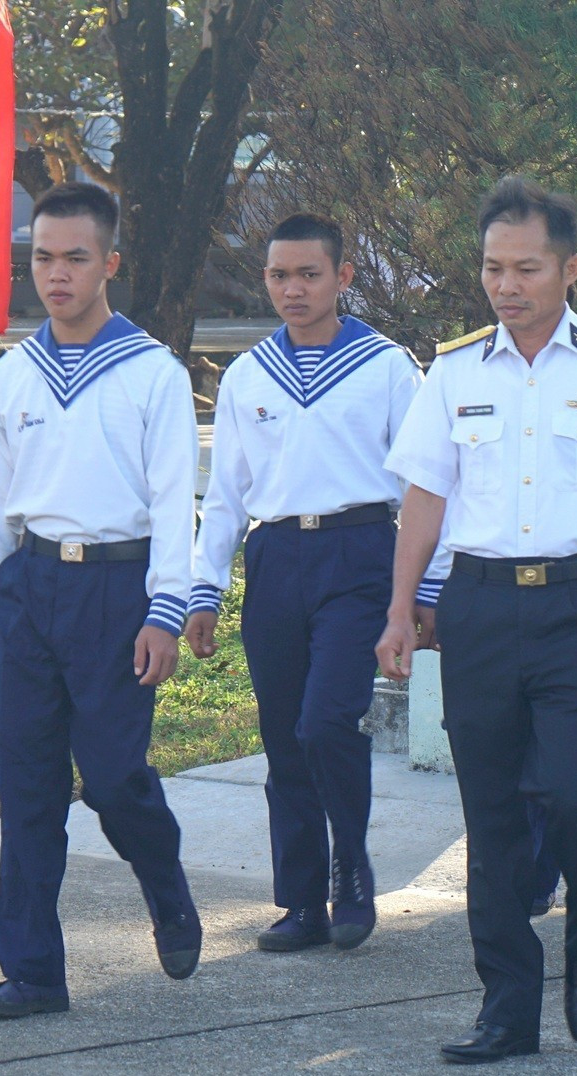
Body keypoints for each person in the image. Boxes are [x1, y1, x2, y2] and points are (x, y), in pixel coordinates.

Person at [375, 175, 577, 1064]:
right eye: (492, 268)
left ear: (571, 268)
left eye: (526, 268)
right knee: (494, 814)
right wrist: (403, 608)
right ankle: (507, 1005)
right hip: (476, 604)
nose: (506, 286)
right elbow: (424, 500)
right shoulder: (454, 369)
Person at [0, 182, 203, 1018]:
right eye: (42, 258)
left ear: (111, 264)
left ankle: (164, 879)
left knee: (111, 777)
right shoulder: (11, 378)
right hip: (31, 588)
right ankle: (33, 970)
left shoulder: (152, 374)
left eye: (75, 258)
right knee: (26, 786)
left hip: (116, 590)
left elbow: (176, 505)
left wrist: (166, 610)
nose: (56, 275)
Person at [186, 212, 422, 953]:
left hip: (358, 554)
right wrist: (204, 589)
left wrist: (419, 594)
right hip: (277, 559)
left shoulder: (387, 366)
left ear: (342, 277)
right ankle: (300, 900)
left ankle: (350, 864)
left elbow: (423, 486)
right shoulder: (250, 373)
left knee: (327, 722)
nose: (293, 288)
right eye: (279, 275)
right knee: (285, 738)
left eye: (309, 274)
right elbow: (226, 491)